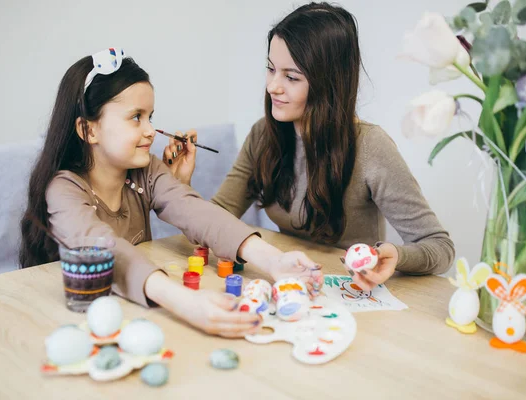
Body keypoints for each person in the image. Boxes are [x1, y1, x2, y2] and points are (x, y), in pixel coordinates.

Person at [19, 48, 322, 338]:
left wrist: (272, 261)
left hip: (137, 313)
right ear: (89, 130)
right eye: (136, 117)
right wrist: (185, 302)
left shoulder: (147, 171)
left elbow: (197, 213)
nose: (150, 130)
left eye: (150, 116)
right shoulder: (63, 189)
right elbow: (104, 247)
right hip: (79, 325)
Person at [167, 3, 455, 291]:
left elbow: (440, 248)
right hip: (291, 288)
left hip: (352, 297)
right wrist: (180, 186)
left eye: (291, 77)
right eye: (271, 69)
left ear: (328, 84)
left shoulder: (371, 147)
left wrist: (395, 255)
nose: (273, 87)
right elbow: (216, 223)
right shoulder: (263, 136)